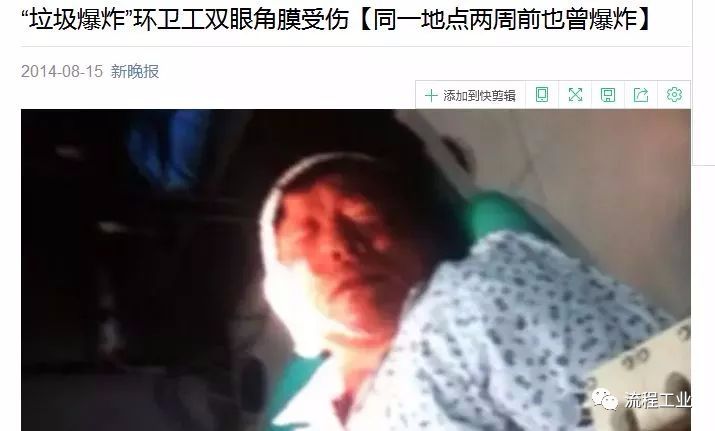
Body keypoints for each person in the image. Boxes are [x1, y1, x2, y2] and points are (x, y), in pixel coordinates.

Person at [259, 152, 674, 430]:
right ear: (281, 290)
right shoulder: (310, 413)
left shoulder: (477, 298)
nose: (340, 246)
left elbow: (661, 404)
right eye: (304, 238)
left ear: (422, 238)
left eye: (365, 219)